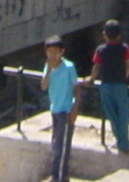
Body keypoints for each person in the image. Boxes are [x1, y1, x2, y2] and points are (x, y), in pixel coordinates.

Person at [87, 19, 129, 155]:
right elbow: (128, 65)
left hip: (106, 85)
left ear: (104, 35)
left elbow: (96, 67)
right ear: (119, 35)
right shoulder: (124, 48)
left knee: (111, 114)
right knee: (123, 114)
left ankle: (119, 140)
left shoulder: (100, 50)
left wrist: (91, 78)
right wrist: (125, 77)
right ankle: (124, 143)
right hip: (120, 84)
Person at [41, 34, 79, 182]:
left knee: (62, 148)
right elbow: (43, 86)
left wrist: (75, 109)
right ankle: (61, 176)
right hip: (55, 109)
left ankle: (58, 177)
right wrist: (49, 70)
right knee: (56, 144)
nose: (53, 55)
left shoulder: (69, 67)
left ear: (62, 52)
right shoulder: (48, 67)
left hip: (66, 110)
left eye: (56, 52)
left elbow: (77, 89)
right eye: (50, 52)